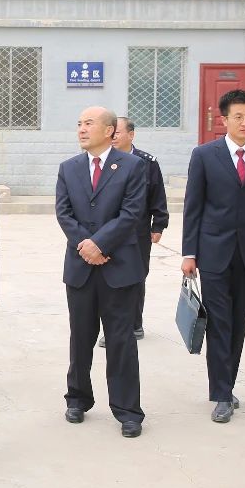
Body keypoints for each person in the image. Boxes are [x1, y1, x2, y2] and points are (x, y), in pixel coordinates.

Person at [180, 89, 245, 424]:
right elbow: (193, 207)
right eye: (238, 116)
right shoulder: (204, 155)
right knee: (220, 322)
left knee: (239, 322)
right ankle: (221, 394)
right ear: (224, 120)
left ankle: (228, 385)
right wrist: (189, 253)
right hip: (213, 253)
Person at [55, 106, 148, 438]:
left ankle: (128, 410)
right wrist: (86, 245)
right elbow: (64, 212)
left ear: (109, 130)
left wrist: (101, 244)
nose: (81, 129)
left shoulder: (133, 166)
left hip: (119, 267)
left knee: (121, 340)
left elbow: (132, 213)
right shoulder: (69, 168)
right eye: (79, 123)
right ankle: (77, 398)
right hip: (80, 266)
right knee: (80, 337)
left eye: (89, 123)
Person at [98, 117, 169, 346]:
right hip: (108, 231)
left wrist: (159, 224)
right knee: (108, 278)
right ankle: (112, 328)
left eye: (118, 132)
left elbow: (157, 195)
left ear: (131, 135)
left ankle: (134, 323)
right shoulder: (102, 160)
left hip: (137, 232)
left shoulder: (147, 163)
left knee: (136, 277)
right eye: (111, 132)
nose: (113, 137)